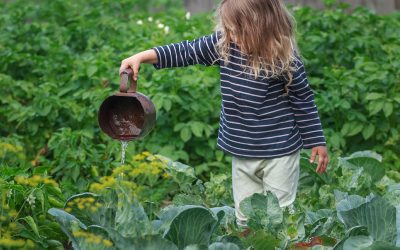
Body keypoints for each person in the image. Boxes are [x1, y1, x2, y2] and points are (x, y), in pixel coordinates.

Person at [119, 0, 329, 228]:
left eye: (236, 30)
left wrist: (316, 141)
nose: (230, 34)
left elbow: (302, 99)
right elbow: (186, 51)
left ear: (261, 27)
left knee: (281, 217)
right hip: (241, 150)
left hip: (280, 151)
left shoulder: (282, 56)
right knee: (245, 219)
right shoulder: (225, 45)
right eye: (228, 28)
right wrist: (141, 57)